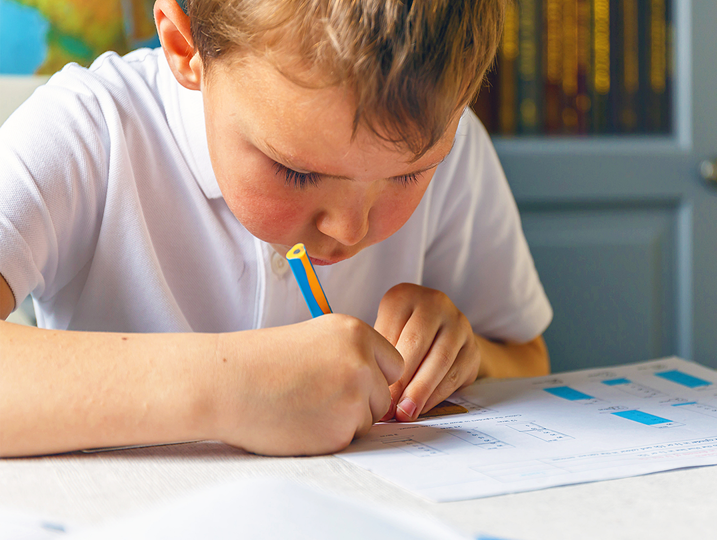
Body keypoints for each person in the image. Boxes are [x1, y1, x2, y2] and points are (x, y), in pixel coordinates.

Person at [0, 0, 552, 457]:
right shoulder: (88, 131)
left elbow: (528, 358)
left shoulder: (454, 145)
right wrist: (231, 387)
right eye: (297, 171)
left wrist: (467, 357)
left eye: (409, 174)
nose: (351, 228)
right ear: (185, 46)